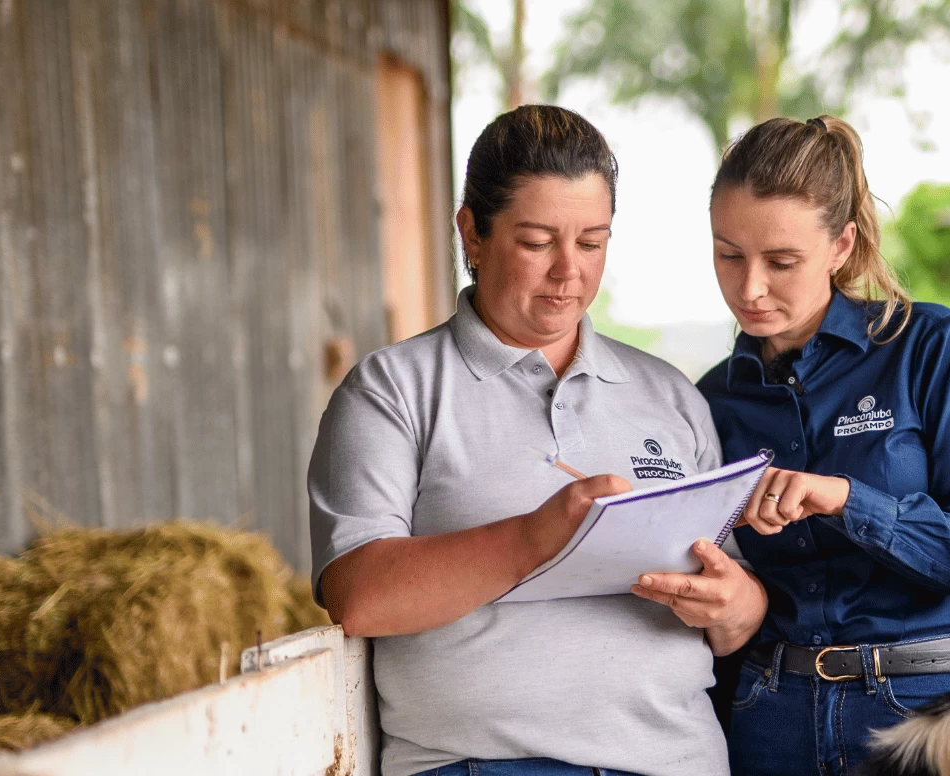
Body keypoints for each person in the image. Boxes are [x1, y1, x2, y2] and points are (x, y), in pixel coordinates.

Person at [308, 105, 765, 776]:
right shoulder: (393, 390)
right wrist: (537, 536)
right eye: (536, 240)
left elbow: (738, 604)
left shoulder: (671, 395)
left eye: (591, 241)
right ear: (473, 232)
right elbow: (360, 596)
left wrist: (736, 606)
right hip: (478, 765)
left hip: (676, 758)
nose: (568, 271)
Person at [682, 116, 950, 775]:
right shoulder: (708, 400)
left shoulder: (929, 346)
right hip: (769, 713)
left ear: (840, 245)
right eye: (729, 254)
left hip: (928, 707)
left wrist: (846, 499)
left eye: (781, 262)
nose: (750, 288)